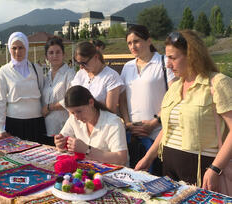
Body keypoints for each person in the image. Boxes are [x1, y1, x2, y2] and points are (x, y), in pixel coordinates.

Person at [135, 30, 232, 193]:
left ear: (192, 56)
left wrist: (216, 168)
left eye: (173, 58)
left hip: (204, 172)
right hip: (170, 171)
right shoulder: (174, 87)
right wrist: (148, 157)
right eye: (167, 58)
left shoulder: (217, 83)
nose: (167, 64)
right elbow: (167, 129)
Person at [119, 24, 175, 174]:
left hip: (160, 133)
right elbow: (122, 99)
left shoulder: (164, 63)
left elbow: (174, 97)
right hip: (134, 135)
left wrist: (155, 121)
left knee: (159, 177)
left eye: (136, 41)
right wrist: (128, 123)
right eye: (129, 43)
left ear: (149, 41)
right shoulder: (127, 67)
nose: (133, 46)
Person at [0, 32, 47, 143]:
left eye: (21, 48)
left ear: (26, 48)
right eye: (14, 48)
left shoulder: (37, 69)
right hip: (14, 122)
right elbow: (0, 100)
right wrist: (0, 128)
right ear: (9, 49)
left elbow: (43, 93)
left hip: (36, 122)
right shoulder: (4, 72)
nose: (17, 52)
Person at [54, 86, 128, 165]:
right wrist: (60, 143)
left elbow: (121, 158)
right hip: (87, 168)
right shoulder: (74, 118)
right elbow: (63, 140)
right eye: (72, 113)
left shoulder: (113, 122)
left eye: (79, 111)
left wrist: (87, 150)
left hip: (113, 172)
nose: (77, 117)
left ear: (91, 103)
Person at [71, 41, 123, 113]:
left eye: (84, 63)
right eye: (78, 63)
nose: (81, 67)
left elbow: (110, 112)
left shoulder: (111, 77)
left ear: (96, 57)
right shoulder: (80, 74)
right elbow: (71, 102)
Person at [42, 37, 75, 145]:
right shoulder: (46, 77)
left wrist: (49, 107)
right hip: (46, 128)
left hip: (63, 129)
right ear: (46, 56)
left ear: (63, 54)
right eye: (51, 53)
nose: (54, 56)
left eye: (58, 52)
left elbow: (71, 100)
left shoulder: (70, 74)